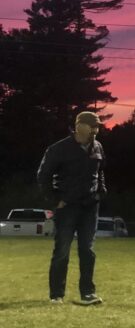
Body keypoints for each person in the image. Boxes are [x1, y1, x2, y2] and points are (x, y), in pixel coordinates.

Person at [37, 111, 108, 305]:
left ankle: (88, 293)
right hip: (67, 207)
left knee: (87, 250)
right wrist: (55, 201)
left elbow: (100, 172)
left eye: (97, 126)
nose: (95, 130)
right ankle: (56, 295)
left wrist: (101, 190)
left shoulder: (98, 147)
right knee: (62, 250)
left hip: (90, 207)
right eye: (91, 126)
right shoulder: (58, 149)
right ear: (78, 126)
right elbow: (43, 177)